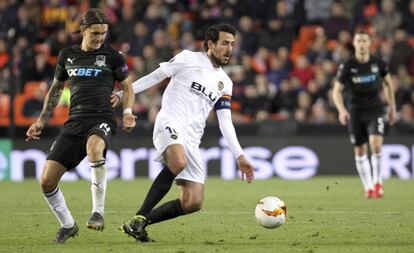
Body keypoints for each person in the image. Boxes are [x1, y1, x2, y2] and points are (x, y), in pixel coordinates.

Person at [113, 23, 254, 242]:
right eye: (225, 43)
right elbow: (155, 76)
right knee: (179, 161)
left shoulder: (225, 83)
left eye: (232, 44)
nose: (229, 49)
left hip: (192, 139)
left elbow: (225, 122)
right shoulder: (188, 58)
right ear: (210, 44)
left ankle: (138, 223)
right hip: (169, 122)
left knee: (193, 202)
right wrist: (123, 94)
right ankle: (141, 214)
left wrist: (240, 155)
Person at [25, 8, 136, 243]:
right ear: (83, 30)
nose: (100, 38)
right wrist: (41, 120)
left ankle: (98, 212)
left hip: (102, 118)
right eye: (95, 33)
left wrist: (127, 112)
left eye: (104, 33)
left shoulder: (113, 56)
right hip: (74, 122)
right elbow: (56, 89)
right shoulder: (67, 55)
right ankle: (68, 225)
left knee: (95, 149)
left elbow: (128, 87)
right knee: (46, 181)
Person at [333, 29, 397, 199]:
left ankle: (378, 183)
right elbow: (336, 91)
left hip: (375, 109)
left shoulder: (378, 63)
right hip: (355, 112)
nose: (361, 44)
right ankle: (368, 187)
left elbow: (389, 84)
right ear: (354, 43)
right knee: (360, 150)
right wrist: (341, 110)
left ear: (370, 43)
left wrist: (392, 109)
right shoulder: (348, 65)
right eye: (358, 41)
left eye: (364, 41)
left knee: (376, 144)